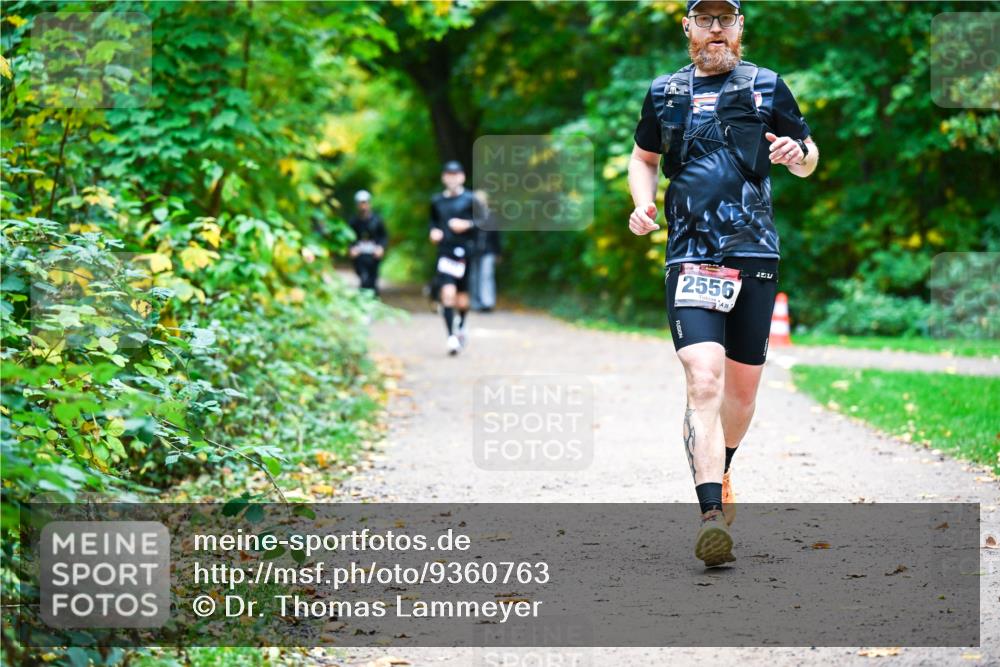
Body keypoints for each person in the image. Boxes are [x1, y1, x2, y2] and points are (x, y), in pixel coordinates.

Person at [627, 0, 818, 566]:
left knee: (740, 394)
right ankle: (710, 516)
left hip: (754, 252)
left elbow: (809, 156)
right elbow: (643, 158)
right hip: (690, 255)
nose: (716, 29)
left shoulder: (767, 85)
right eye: (705, 19)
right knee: (703, 380)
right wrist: (642, 204)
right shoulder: (665, 92)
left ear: (739, 27)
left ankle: (722, 467)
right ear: (687, 26)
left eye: (726, 19)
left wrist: (797, 154)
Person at [429, 161, 480, 355]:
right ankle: (451, 337)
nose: (452, 178)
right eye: (449, 175)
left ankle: (462, 325)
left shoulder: (471, 199)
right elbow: (433, 223)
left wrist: (466, 225)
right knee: (447, 293)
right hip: (445, 253)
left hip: (465, 254)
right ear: (444, 177)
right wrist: (433, 232)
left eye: (456, 174)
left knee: (462, 301)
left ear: (462, 177)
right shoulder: (436, 201)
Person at [347, 190, 387, 296]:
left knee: (373, 280)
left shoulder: (377, 220)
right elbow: (349, 238)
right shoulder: (353, 222)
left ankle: (373, 299)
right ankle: (364, 298)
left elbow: (384, 236)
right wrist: (351, 248)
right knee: (364, 279)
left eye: (365, 203)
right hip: (360, 257)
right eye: (361, 203)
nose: (363, 206)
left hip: (373, 256)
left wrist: (381, 247)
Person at [469, 189, 502, 312]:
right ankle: (475, 302)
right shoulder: (470, 216)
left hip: (488, 251)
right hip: (473, 251)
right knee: (473, 277)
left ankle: (487, 303)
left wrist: (498, 252)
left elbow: (496, 236)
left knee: (486, 276)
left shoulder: (491, 216)